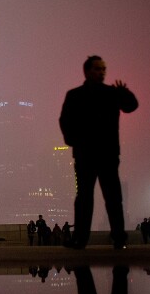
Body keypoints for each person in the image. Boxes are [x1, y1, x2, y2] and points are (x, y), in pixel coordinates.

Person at [59, 55, 138, 249]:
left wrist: (124, 93)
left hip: (106, 153)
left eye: (103, 69)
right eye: (97, 68)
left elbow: (131, 106)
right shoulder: (75, 95)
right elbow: (65, 121)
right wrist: (74, 141)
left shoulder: (112, 93)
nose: (101, 72)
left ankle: (116, 237)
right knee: (87, 197)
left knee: (111, 197)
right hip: (88, 153)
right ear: (86, 71)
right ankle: (83, 238)